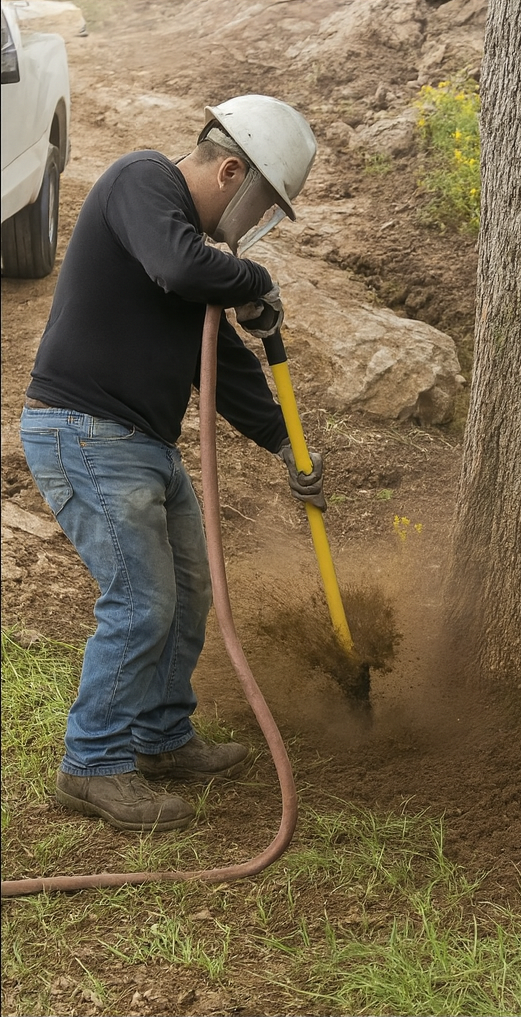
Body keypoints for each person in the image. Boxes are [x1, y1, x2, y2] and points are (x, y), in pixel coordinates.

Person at [19, 95, 323, 833]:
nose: (255, 230)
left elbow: (222, 363)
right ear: (229, 171)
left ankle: (160, 737)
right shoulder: (142, 183)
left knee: (189, 589)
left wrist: (288, 443)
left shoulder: (188, 249)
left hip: (137, 445)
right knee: (141, 603)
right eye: (262, 209)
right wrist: (254, 285)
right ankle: (90, 764)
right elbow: (182, 268)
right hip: (83, 431)